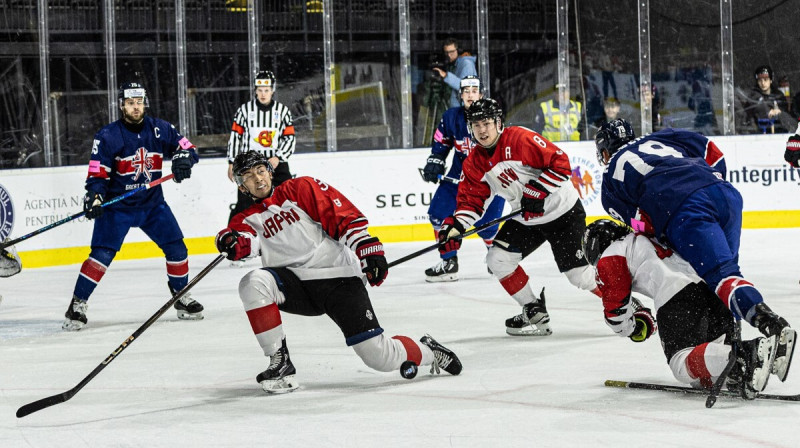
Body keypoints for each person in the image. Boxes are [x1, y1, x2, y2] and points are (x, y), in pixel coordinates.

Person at [214, 151, 462, 393]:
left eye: (260, 171)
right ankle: (280, 362)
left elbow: (340, 216)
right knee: (253, 282)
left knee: (379, 356)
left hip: (337, 279)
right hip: (297, 288)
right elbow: (247, 242)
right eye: (249, 176)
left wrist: (367, 249)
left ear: (270, 172)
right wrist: (229, 242)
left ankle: (429, 352)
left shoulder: (299, 188)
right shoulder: (244, 220)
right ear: (242, 187)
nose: (258, 178)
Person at [595, 118, 795, 363]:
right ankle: (734, 344)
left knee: (721, 276)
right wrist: (713, 181)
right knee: (726, 277)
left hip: (684, 208)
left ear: (605, 152)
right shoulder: (662, 136)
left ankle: (772, 326)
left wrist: (664, 231)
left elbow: (641, 223)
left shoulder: (609, 183)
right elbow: (712, 152)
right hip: (725, 195)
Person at [437, 98, 600, 337]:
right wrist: (457, 226)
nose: (482, 130)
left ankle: (622, 302)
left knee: (579, 276)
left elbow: (561, 163)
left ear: (498, 123)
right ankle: (534, 310)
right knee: (497, 259)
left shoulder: (519, 139)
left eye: (486, 123)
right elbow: (472, 201)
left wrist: (538, 189)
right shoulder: (474, 163)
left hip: (562, 212)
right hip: (528, 219)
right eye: (476, 125)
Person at [583, 219, 794, 399]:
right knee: (704, 377)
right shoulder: (648, 236)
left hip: (677, 295)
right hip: (711, 286)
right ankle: (746, 367)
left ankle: (747, 354)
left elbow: (616, 313)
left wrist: (633, 328)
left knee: (681, 363)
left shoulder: (611, 253)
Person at [63, 82, 203, 331]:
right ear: (122, 105)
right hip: (118, 207)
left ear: (144, 103)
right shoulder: (107, 136)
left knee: (177, 249)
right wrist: (95, 196)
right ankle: (77, 304)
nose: (135, 107)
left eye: (139, 102)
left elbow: (188, 149)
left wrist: (183, 160)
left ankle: (181, 295)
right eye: (130, 103)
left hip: (152, 205)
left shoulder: (160, 129)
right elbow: (97, 172)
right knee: (101, 256)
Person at [420, 76, 505, 282]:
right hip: (457, 179)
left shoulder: (492, 117)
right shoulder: (451, 117)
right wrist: (436, 160)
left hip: (488, 181)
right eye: (466, 91)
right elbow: (441, 142)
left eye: (474, 91)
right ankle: (449, 261)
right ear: (460, 94)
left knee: (488, 226)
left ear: (481, 94)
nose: (470, 94)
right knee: (438, 216)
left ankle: (496, 259)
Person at [227, 70, 296, 222]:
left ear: (272, 90)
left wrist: (279, 157)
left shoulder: (282, 111)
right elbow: (235, 137)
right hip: (249, 163)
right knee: (245, 203)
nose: (263, 94)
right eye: (260, 90)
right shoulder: (244, 111)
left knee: (289, 196)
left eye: (266, 90)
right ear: (255, 91)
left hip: (276, 163)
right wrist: (232, 162)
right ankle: (235, 233)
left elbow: (290, 138)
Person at [739, 65, 793, 134]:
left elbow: (786, 115)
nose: (763, 83)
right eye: (760, 80)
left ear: (771, 80)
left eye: (765, 79)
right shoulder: (754, 96)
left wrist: (779, 112)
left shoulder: (778, 95)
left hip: (779, 133)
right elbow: (756, 111)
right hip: (759, 133)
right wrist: (768, 112)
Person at [431, 37, 478, 109]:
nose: (449, 55)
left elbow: (466, 87)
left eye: (452, 52)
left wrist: (446, 75)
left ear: (459, 51)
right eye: (446, 52)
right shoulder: (454, 65)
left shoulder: (466, 64)